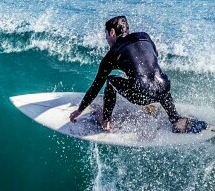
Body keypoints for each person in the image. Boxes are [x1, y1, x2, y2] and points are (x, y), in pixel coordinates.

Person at [68, 16, 206, 134]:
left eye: (106, 35)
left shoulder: (112, 54)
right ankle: (175, 119)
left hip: (141, 95)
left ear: (112, 32)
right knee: (155, 77)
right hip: (164, 88)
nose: (106, 39)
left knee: (110, 81)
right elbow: (153, 57)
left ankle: (106, 121)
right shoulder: (144, 37)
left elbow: (96, 86)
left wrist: (79, 110)